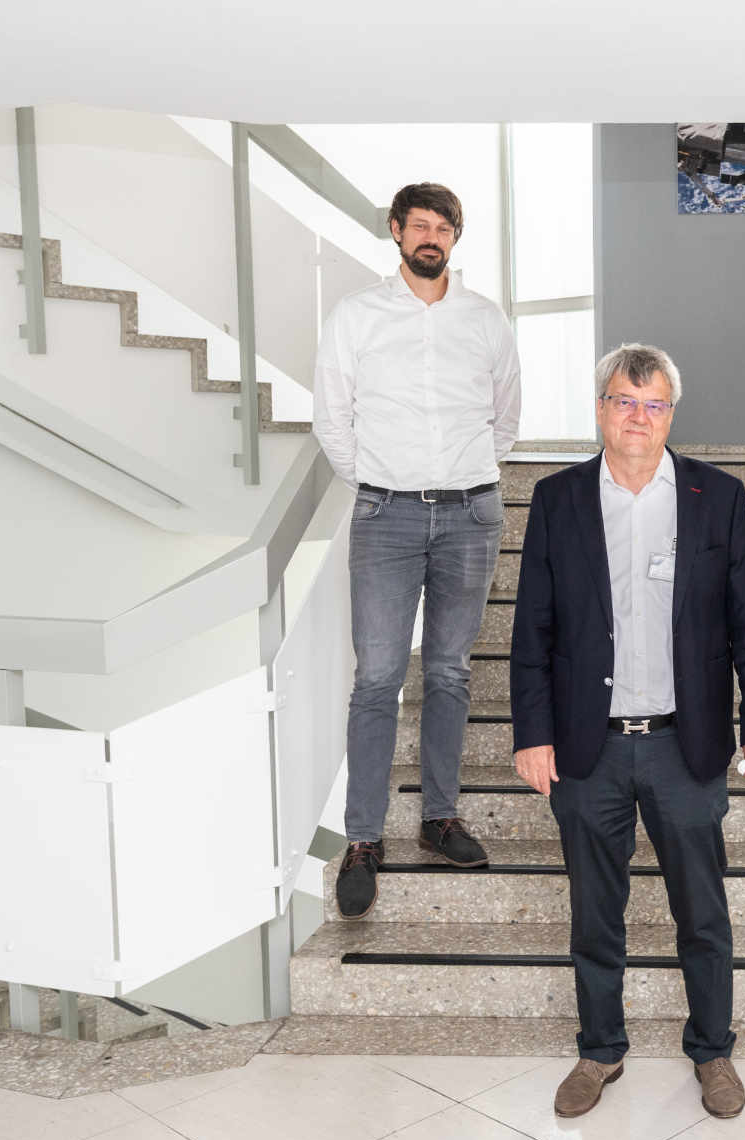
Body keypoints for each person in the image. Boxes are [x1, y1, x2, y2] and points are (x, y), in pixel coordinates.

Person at [509, 343, 745, 1120]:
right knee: (595, 910)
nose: (639, 417)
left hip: (683, 743)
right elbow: (533, 628)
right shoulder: (558, 499)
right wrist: (533, 734)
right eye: (625, 402)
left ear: (671, 413)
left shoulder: (714, 496)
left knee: (703, 911)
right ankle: (599, 1050)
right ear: (600, 409)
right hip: (585, 746)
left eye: (654, 404)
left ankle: (714, 1050)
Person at [311, 182, 520, 920]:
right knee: (377, 680)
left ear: (455, 238)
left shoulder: (485, 321)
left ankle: (438, 819)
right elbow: (333, 421)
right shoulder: (355, 318)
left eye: (444, 227)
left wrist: (461, 482)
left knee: (450, 673)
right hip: (386, 517)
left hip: (470, 513)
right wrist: (387, 484)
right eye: (419, 225)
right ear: (396, 232)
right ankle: (364, 839)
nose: (431, 236)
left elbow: (504, 421)